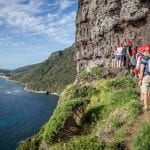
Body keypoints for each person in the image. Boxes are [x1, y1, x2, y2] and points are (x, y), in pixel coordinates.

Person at [139, 45, 150, 111]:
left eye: (143, 51)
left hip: (146, 76)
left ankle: (146, 107)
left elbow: (141, 69)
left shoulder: (144, 58)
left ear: (146, 51)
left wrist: (140, 79)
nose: (142, 52)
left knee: (145, 91)